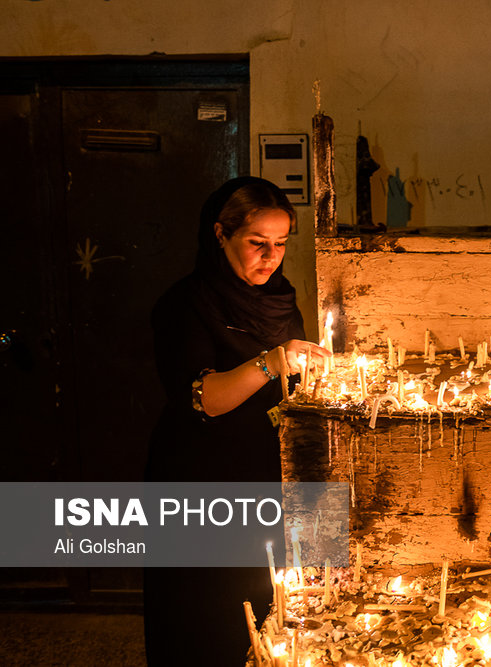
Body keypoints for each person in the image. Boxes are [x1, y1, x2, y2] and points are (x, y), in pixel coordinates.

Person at [144, 177, 330, 666]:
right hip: (202, 476)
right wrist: (271, 362)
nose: (270, 257)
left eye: (280, 244)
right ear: (220, 234)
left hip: (268, 473)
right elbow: (203, 399)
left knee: (271, 608)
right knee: (207, 617)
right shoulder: (185, 304)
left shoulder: (279, 300)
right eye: (256, 244)